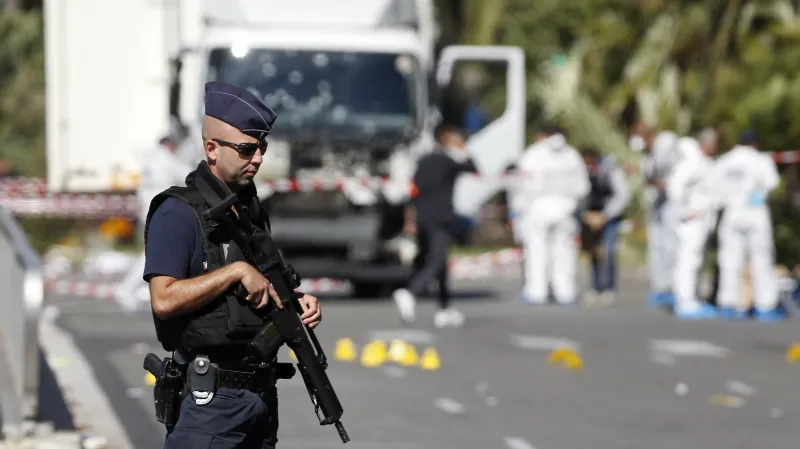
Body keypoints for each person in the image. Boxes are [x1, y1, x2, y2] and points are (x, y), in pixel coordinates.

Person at [143, 81, 322, 448]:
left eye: (261, 148)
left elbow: (265, 283)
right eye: (245, 149)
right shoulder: (178, 213)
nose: (257, 159)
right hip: (210, 404)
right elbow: (163, 299)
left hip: (260, 397)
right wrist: (235, 272)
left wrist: (297, 302)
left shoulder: (249, 211)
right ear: (212, 148)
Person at [392, 123, 478, 328]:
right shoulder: (448, 160)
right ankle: (410, 293)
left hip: (422, 217)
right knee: (437, 260)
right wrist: (463, 149)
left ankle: (445, 308)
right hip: (440, 218)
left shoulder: (423, 161)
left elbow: (414, 192)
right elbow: (473, 168)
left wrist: (410, 219)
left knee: (439, 262)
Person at [115, 135, 193, 311]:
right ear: (169, 146)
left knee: (163, 251)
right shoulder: (166, 159)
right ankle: (128, 288)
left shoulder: (150, 161)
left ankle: (139, 288)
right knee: (156, 253)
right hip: (162, 212)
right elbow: (189, 175)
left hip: (150, 211)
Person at [516, 125, 590, 305]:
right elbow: (583, 188)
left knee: (537, 252)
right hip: (566, 211)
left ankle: (537, 291)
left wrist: (520, 209)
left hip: (537, 210)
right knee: (564, 253)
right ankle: (565, 291)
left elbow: (523, 185)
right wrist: (573, 205)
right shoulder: (572, 155)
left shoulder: (533, 154)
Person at [714, 131, 782, 321]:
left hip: (731, 212)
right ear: (755, 143)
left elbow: (715, 187)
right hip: (755, 212)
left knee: (729, 260)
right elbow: (772, 183)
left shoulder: (725, 160)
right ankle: (765, 306)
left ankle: (728, 303)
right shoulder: (760, 159)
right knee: (761, 259)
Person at [668, 129, 720, 319]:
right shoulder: (690, 163)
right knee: (688, 260)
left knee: (697, 260)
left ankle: (693, 298)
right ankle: (684, 300)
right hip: (691, 221)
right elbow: (675, 188)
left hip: (703, 220)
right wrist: (685, 211)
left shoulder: (705, 163)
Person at [629, 121, 682, 306]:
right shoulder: (648, 155)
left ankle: (676, 287)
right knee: (657, 245)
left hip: (674, 202)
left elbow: (676, 173)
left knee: (672, 245)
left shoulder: (668, 143)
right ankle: (661, 287)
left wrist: (663, 184)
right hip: (658, 203)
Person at [579, 148, 631, 307]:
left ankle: (608, 286)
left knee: (608, 252)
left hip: (609, 217)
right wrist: (585, 215)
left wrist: (605, 215)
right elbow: (578, 194)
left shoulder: (611, 169)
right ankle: (595, 286)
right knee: (593, 252)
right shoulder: (581, 171)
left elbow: (622, 195)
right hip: (589, 218)